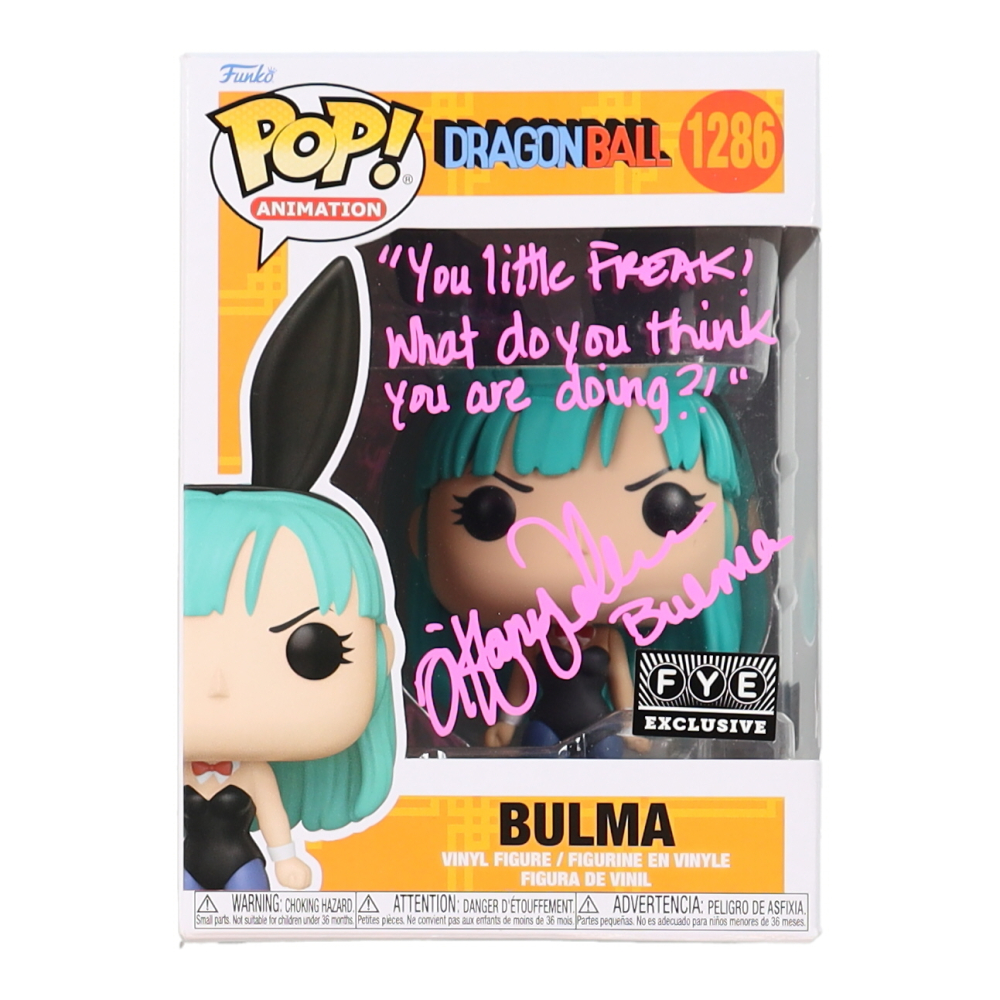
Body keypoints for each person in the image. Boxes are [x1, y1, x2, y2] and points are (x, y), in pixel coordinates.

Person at [406, 366, 755, 751]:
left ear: (728, 529)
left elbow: (621, 685)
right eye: (489, 513)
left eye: (667, 510)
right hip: (543, 729)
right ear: (421, 533)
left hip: (601, 728)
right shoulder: (535, 641)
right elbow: (519, 689)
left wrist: (632, 727)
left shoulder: (607, 639)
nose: (580, 548)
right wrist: (507, 726)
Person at [183, 488, 397, 889]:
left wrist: (286, 861)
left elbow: (273, 818)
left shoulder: (255, 773)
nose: (218, 684)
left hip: (242, 866)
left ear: (381, 653)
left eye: (314, 651)